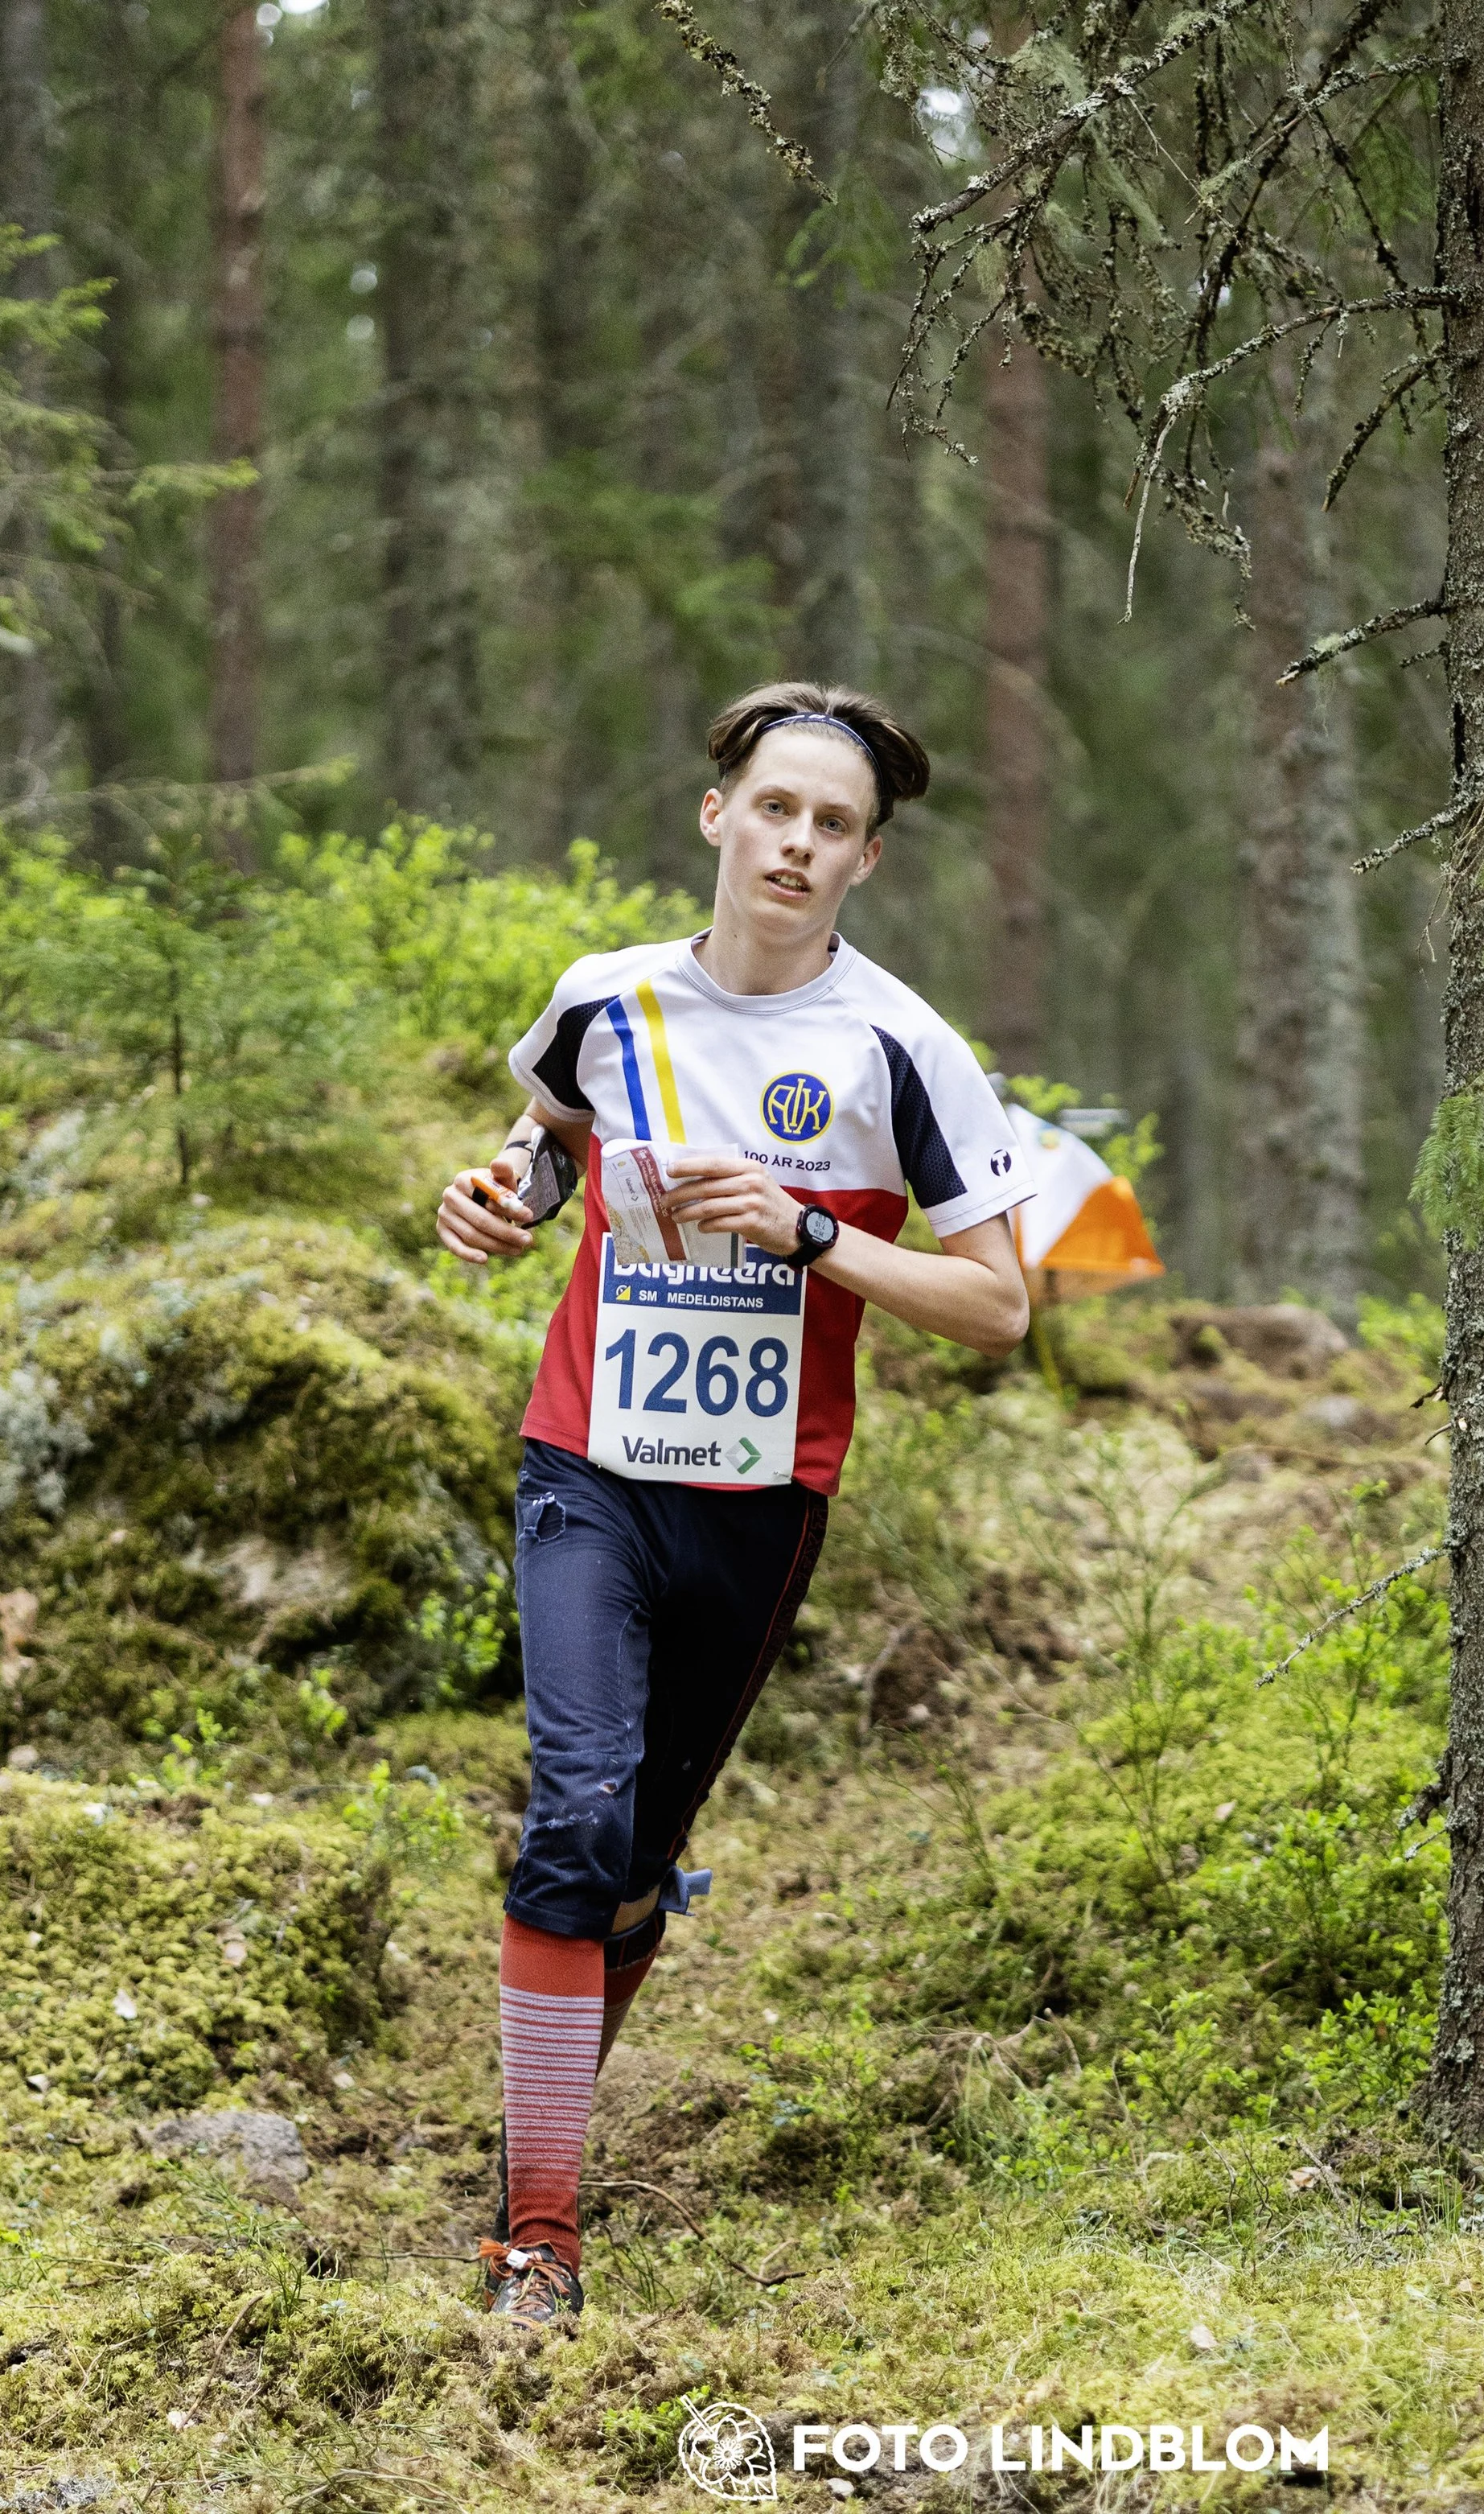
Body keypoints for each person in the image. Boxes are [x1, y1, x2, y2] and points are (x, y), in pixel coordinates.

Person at [435, 683, 1030, 2329]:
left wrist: (809, 1232)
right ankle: (535, 2224)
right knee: (574, 1805)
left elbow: (1000, 1308)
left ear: (864, 861)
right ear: (718, 817)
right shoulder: (602, 998)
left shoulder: (898, 1047)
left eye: (832, 824)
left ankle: (543, 2112)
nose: (796, 841)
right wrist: (495, 1196)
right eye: (775, 807)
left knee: (635, 1855)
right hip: (587, 1467)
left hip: (761, 1506)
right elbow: (543, 1144)